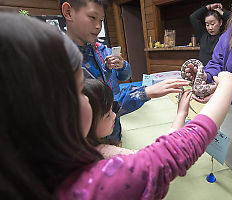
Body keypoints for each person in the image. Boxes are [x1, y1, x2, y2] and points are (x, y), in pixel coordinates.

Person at [0, 12, 232, 199]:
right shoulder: (97, 184)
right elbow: (168, 156)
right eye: (80, 91)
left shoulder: (33, 167)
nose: (88, 99)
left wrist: (180, 113)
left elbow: (124, 78)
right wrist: (227, 86)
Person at [60, 0, 190, 144]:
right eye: (92, 17)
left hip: (114, 129)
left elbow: (125, 76)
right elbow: (100, 108)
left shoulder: (102, 50)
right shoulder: (64, 60)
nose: (98, 26)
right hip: (91, 142)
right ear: (68, 12)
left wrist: (122, 66)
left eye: (101, 20)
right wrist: (145, 92)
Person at [83, 78, 194, 159]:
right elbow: (161, 156)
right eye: (107, 115)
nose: (114, 115)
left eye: (112, 109)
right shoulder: (106, 155)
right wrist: (181, 114)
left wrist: (146, 92)